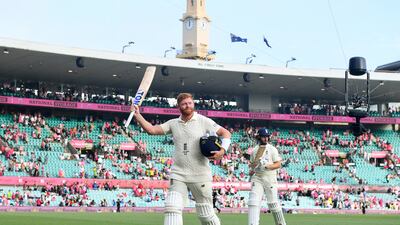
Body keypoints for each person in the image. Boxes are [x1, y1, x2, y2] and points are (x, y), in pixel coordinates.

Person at [131, 93, 231, 225]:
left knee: (206, 215)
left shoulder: (203, 120)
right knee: (172, 207)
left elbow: (226, 133)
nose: (187, 105)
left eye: (190, 103)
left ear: (193, 104)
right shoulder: (173, 123)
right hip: (178, 174)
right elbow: (152, 130)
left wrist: (222, 151)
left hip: (200, 174)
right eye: (184, 104)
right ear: (178, 106)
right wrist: (138, 115)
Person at [248, 128, 286, 225]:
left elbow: (278, 164)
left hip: (269, 178)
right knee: (253, 201)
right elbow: (252, 165)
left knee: (273, 204)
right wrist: (252, 169)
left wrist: (267, 166)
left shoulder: (272, 149)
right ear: (259, 137)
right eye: (264, 137)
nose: (266, 139)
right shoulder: (254, 150)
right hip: (257, 177)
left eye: (267, 137)